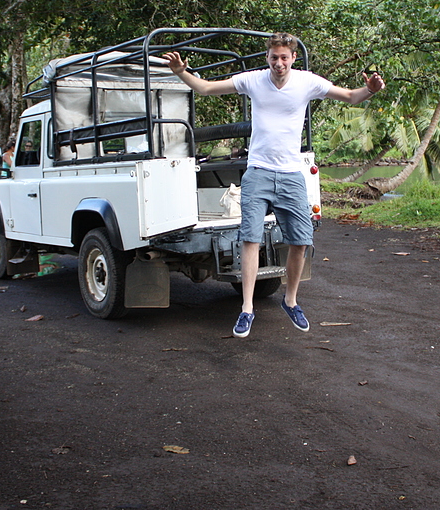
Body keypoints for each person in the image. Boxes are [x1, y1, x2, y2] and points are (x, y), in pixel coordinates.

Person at [163, 32, 385, 338]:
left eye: (284, 58)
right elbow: (205, 88)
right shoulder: (254, 80)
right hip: (258, 172)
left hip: (292, 174)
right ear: (267, 57)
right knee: (250, 239)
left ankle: (290, 300)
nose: (278, 63)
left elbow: (349, 96)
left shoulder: (307, 82)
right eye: (273, 57)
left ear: (293, 58)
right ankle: (247, 309)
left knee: (301, 241)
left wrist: (370, 90)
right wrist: (180, 72)